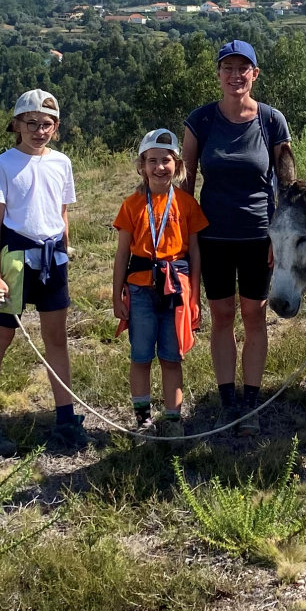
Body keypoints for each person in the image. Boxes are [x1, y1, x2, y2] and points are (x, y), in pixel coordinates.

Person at [182, 39, 296, 429]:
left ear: (255, 74)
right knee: (222, 315)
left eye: (242, 69)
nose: (235, 76)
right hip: (212, 237)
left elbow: (287, 183)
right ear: (218, 74)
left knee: (254, 315)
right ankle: (227, 398)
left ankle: (251, 400)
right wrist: (183, 236)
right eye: (227, 69)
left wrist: (279, 238)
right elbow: (186, 181)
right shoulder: (200, 121)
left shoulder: (271, 120)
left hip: (258, 237)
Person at [0, 89, 89, 456]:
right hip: (16, 260)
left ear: (56, 127)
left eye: (47, 124)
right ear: (17, 125)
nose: (40, 131)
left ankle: (66, 418)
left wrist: (65, 248)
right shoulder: (3, 165)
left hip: (53, 259)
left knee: (57, 338)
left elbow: (62, 211)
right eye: (32, 123)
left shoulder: (62, 163)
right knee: (0, 337)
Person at [112, 128, 207, 437]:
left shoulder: (187, 204)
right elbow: (122, 253)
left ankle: (173, 420)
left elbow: (194, 253)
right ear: (142, 166)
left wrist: (194, 300)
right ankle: (142, 420)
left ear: (177, 165)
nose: (159, 167)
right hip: (139, 290)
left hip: (177, 291)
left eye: (166, 160)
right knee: (141, 356)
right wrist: (117, 296)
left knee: (171, 357)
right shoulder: (131, 204)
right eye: (152, 161)